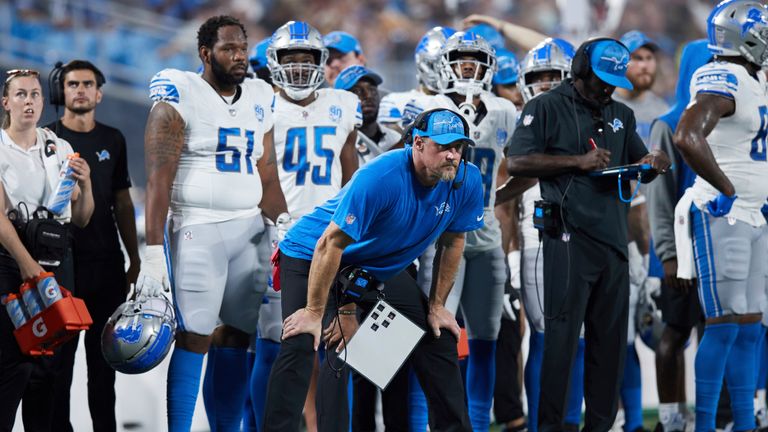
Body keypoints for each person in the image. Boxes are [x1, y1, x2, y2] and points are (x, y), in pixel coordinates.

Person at [262, 108, 484, 432]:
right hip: (314, 254)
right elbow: (333, 247)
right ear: (418, 143)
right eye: (443, 146)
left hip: (372, 265)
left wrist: (437, 307)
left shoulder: (467, 179)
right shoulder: (381, 177)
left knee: (438, 335)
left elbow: (453, 242)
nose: (452, 155)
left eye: (458, 147)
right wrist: (320, 311)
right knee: (310, 340)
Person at [506, 38, 670, 431]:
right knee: (560, 344)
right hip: (566, 241)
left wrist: (651, 161)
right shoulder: (544, 106)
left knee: (609, 348)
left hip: (613, 243)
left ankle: (599, 426)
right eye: (601, 79)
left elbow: (637, 159)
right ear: (580, 70)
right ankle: (548, 426)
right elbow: (517, 161)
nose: (608, 87)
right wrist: (577, 162)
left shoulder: (622, 113)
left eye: (614, 80)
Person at [138, 15, 289, 431]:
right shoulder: (179, 90)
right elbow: (158, 177)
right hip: (197, 226)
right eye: (228, 49)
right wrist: (153, 253)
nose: (239, 57)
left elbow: (268, 173)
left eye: (242, 48)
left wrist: (284, 223)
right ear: (205, 54)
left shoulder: (261, 94)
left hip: (250, 231)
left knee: (237, 337)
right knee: (195, 336)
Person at [247, 20, 361, 431]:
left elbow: (353, 179)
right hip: (279, 235)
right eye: (289, 58)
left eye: (306, 58)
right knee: (280, 343)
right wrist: (279, 220)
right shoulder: (258, 101)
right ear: (274, 63)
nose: (297, 66)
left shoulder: (342, 104)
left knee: (338, 342)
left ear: (321, 61)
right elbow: (259, 174)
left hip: (333, 237)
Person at [672, 2, 768, 431]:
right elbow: (687, 136)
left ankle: (745, 425)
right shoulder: (722, 75)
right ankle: (706, 425)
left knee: (751, 326)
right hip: (721, 212)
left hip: (755, 216)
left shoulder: (753, 78)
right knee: (724, 323)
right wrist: (726, 188)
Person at [41, 60, 139, 432]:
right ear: (60, 92)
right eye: (71, 84)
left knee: (103, 371)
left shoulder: (113, 139)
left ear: (99, 93)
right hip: (60, 266)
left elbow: (123, 202)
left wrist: (134, 259)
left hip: (106, 266)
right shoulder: (45, 139)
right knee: (57, 369)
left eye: (87, 84)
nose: (79, 90)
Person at [0, 68, 94, 430]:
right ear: (6, 102)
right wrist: (29, 267)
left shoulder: (60, 147)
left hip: (57, 259)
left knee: (51, 367)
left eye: (36, 94)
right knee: (14, 362)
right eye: (21, 94)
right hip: (12, 261)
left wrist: (85, 188)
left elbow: (82, 219)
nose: (29, 102)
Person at [647, 39, 710, 432]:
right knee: (672, 333)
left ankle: (710, 416)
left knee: (713, 334)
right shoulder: (668, 124)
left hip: (717, 249)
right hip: (681, 251)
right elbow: (659, 196)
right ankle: (670, 418)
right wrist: (668, 254)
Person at [378, 26, 455, 130]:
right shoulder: (397, 103)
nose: (450, 71)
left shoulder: (474, 103)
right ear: (426, 64)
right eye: (443, 65)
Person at [335, 65, 400, 165]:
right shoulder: (336, 142)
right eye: (357, 91)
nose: (368, 96)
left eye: (372, 90)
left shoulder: (395, 137)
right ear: (340, 100)